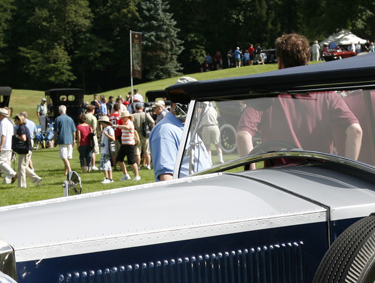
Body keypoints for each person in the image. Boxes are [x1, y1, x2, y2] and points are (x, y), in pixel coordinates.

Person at [235, 33, 362, 168]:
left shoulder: (267, 97)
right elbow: (355, 130)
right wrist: (349, 171)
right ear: (307, 61)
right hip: (318, 179)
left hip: (277, 181)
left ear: (279, 62)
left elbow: (243, 135)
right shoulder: (327, 95)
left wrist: (252, 175)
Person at [150, 100, 210, 181]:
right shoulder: (165, 130)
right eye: (196, 106)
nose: (198, 111)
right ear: (176, 105)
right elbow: (166, 177)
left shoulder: (185, 127)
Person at [0, 107, 17, 183]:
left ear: (2, 115)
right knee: (6, 163)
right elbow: (12, 134)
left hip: (4, 146)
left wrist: (1, 146)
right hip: (9, 146)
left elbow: (3, 135)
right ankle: (7, 181)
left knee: (0, 162)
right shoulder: (10, 122)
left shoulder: (3, 123)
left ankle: (13, 174)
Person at [115, 114, 141, 181]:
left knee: (132, 161)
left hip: (129, 144)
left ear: (128, 117)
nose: (122, 118)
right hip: (124, 144)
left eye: (124, 117)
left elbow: (127, 127)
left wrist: (118, 126)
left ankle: (137, 176)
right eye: (122, 117)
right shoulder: (125, 123)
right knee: (119, 159)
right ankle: (125, 175)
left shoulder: (129, 122)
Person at [55, 104, 77, 178]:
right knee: (68, 156)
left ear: (59, 111)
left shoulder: (58, 119)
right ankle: (66, 171)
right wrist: (74, 140)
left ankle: (70, 170)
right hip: (70, 139)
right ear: (65, 110)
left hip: (62, 139)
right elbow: (74, 131)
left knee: (63, 156)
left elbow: (56, 131)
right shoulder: (70, 119)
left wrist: (55, 139)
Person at [97, 114, 115, 184]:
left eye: (101, 122)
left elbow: (113, 138)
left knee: (104, 164)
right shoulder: (105, 129)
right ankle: (110, 178)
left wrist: (106, 134)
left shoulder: (109, 129)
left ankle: (106, 178)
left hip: (107, 149)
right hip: (104, 149)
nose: (100, 123)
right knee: (108, 164)